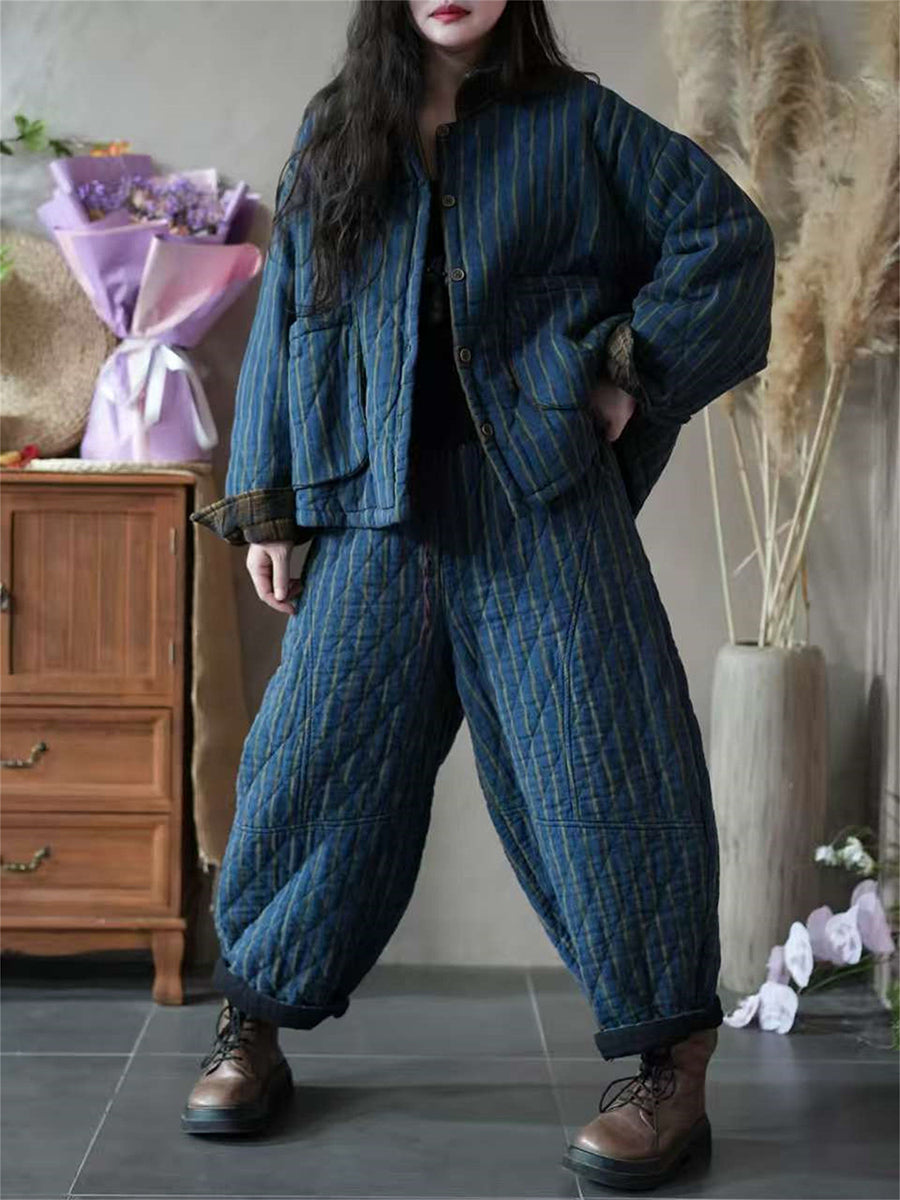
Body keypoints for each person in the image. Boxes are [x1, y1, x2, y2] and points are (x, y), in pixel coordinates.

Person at [184, 0, 775, 1191]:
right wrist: (270, 505)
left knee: (606, 770)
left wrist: (627, 371)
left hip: (542, 506)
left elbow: (728, 243)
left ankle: (669, 1074)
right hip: (372, 511)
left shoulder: (582, 124)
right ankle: (254, 1025)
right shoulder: (338, 128)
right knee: (311, 765)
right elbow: (291, 312)